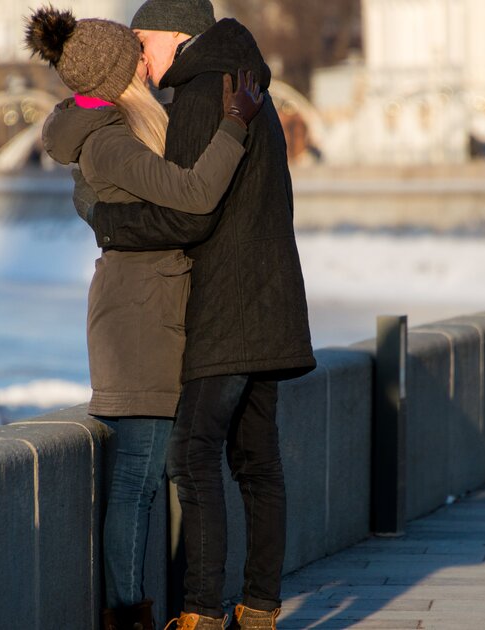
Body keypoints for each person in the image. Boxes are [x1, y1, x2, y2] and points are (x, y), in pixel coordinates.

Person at [73, 1, 317, 628]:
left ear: (179, 35)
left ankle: (203, 612)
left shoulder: (203, 89)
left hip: (226, 309)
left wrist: (107, 222)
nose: (140, 58)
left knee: (192, 455)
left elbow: (189, 211)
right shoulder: (246, 77)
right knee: (258, 462)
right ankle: (259, 608)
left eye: (145, 42)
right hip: (274, 303)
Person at [24, 8, 265, 630]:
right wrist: (235, 125)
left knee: (142, 477)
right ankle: (127, 616)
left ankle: (132, 610)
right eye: (134, 56)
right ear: (116, 75)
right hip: (140, 321)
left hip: (140, 310)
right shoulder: (109, 141)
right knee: (137, 481)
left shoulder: (108, 131)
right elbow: (193, 195)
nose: (145, 61)